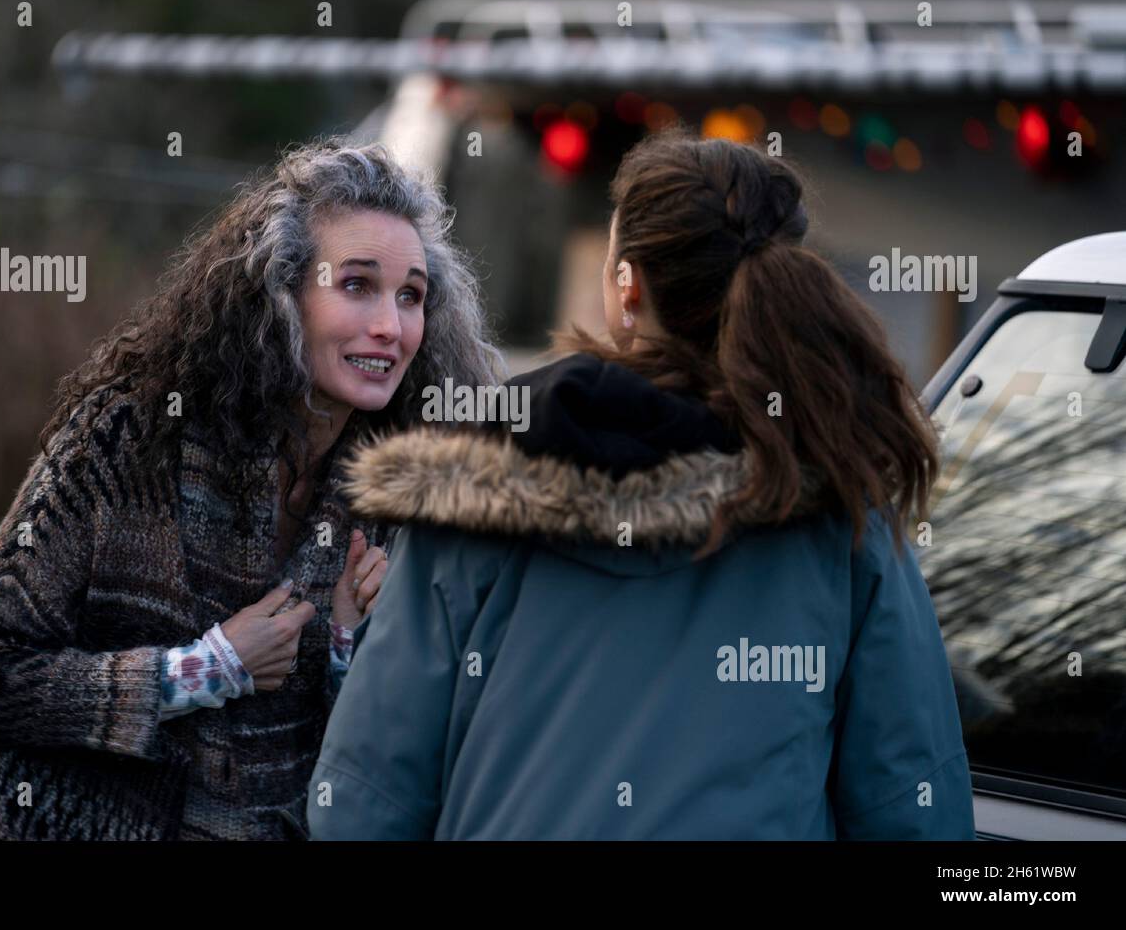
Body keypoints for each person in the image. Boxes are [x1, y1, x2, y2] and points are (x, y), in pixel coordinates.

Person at [307, 129, 976, 840]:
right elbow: (914, 810)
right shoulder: (842, 507)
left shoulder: (471, 480)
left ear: (627, 287)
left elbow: (362, 804)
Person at [0, 139, 502, 840]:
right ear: (279, 290)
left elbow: (362, 769)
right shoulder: (130, 438)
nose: (390, 327)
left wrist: (344, 644)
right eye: (356, 285)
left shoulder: (390, 499)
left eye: (411, 297)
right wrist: (205, 668)